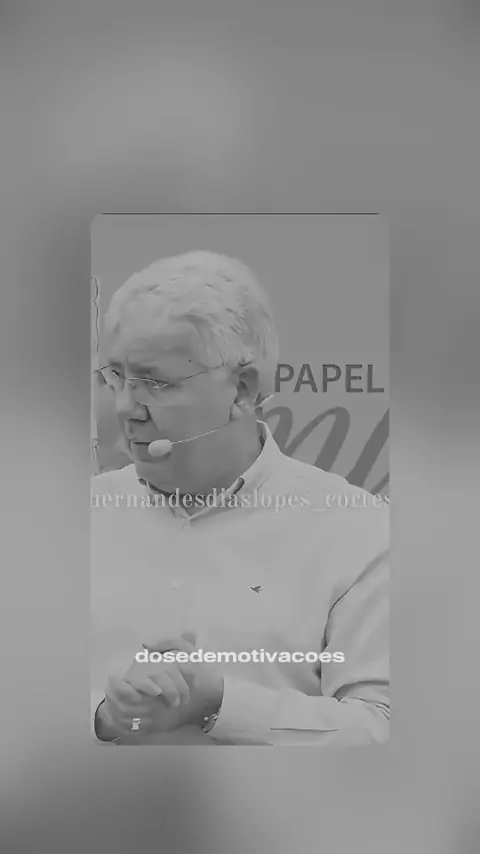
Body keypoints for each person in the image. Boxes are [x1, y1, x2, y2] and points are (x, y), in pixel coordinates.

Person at [91, 250, 389, 746]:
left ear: (242, 390)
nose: (126, 408)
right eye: (116, 377)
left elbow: (382, 729)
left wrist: (222, 705)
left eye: (156, 383)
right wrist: (103, 717)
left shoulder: (357, 531)